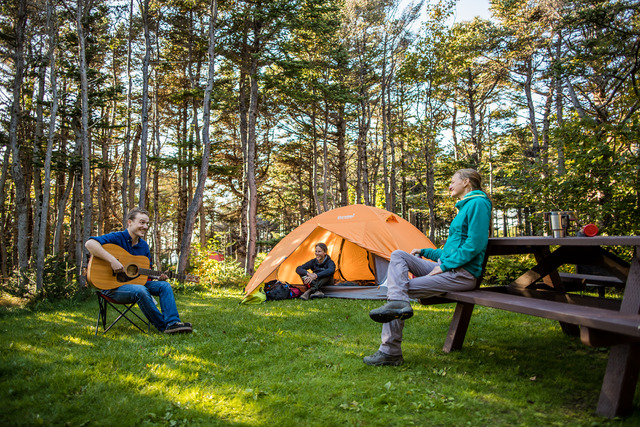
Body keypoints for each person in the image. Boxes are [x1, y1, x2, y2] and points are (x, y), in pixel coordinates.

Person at [364, 169, 492, 366]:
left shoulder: (478, 203)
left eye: (452, 181)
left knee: (398, 290)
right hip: (449, 268)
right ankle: (398, 305)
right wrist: (425, 251)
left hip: (462, 274)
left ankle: (390, 351)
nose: (450, 185)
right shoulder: (465, 207)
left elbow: (475, 244)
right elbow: (451, 250)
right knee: (398, 255)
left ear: (466, 182)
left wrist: (446, 266)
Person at [85, 207, 193, 334]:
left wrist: (157, 277)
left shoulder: (144, 246)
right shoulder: (117, 238)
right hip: (112, 287)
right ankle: (164, 326)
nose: (145, 226)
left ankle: (173, 322)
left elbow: (143, 274)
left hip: (135, 285)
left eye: (147, 223)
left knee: (164, 286)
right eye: (142, 222)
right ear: (129, 222)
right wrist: (112, 260)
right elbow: (90, 244)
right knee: (140, 290)